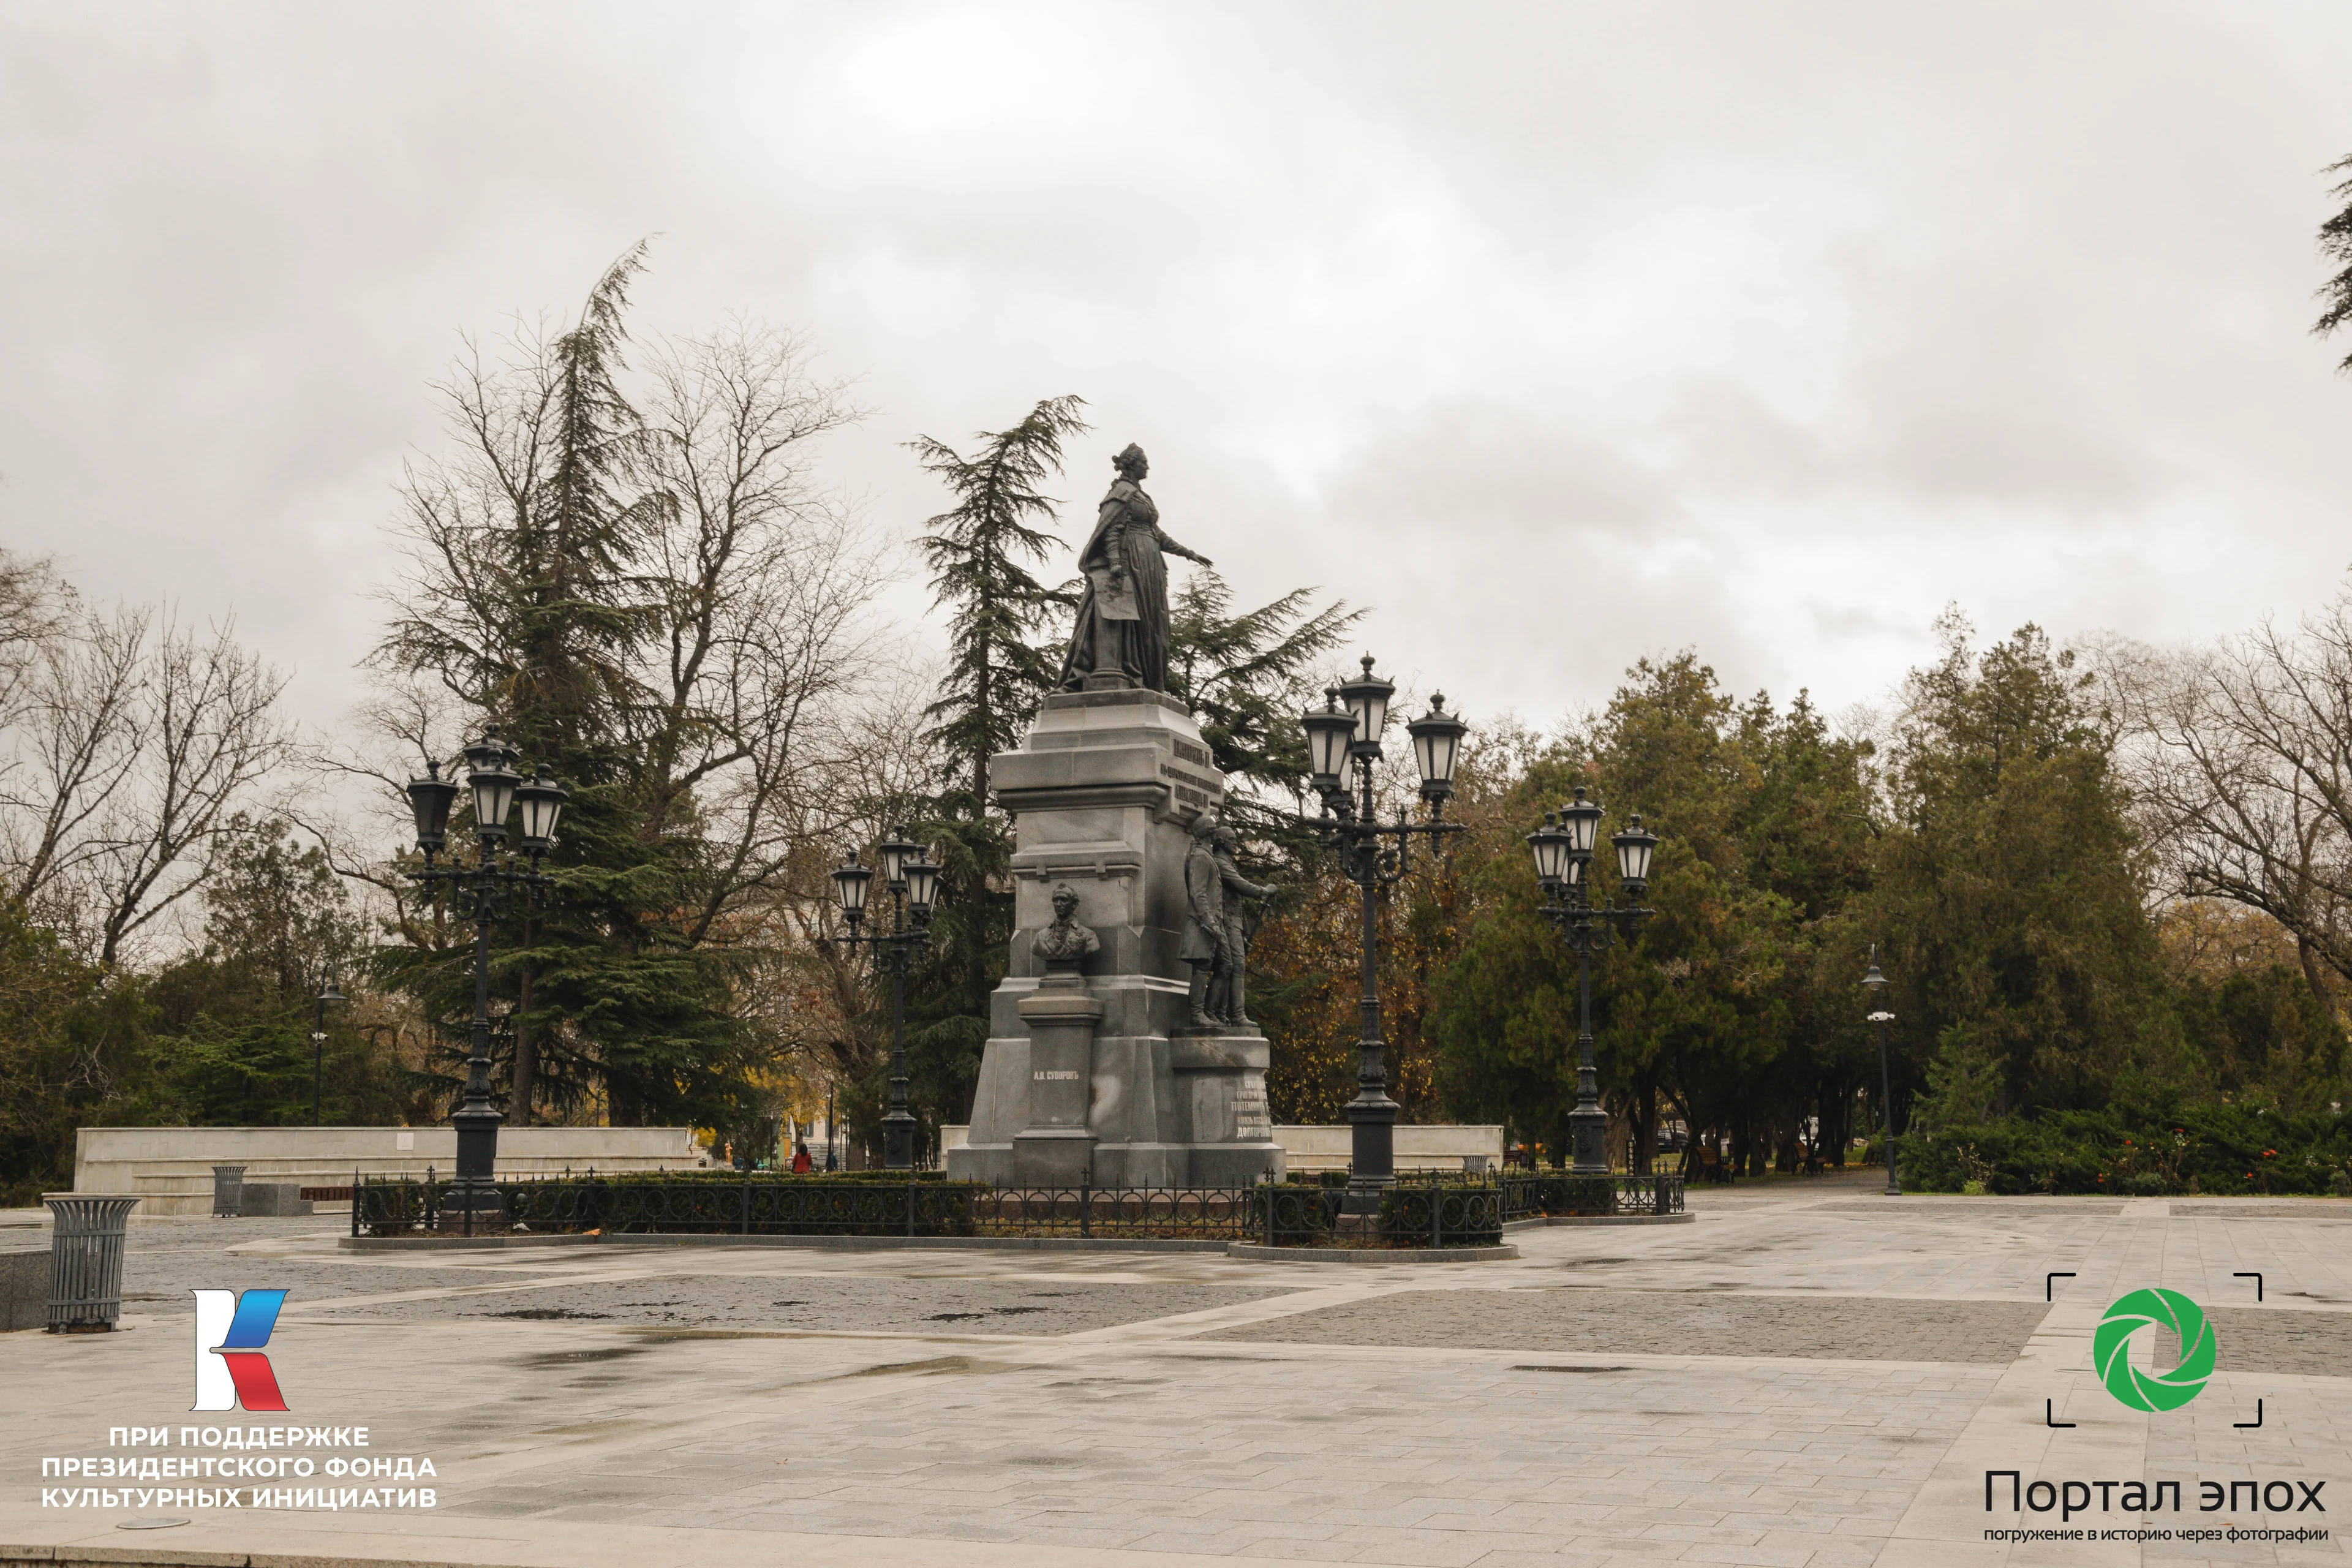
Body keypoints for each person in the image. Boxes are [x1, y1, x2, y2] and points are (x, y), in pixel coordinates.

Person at [1057, 443, 1212, 692]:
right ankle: (1127, 671)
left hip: (1150, 564)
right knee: (1131, 619)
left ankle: (1146, 678)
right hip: (1132, 562)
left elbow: (1156, 533)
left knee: (1152, 620)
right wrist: (1115, 561)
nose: (1147, 466)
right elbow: (1110, 531)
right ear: (1131, 465)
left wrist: (1187, 553)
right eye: (1144, 462)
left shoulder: (1141, 496)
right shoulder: (1122, 493)